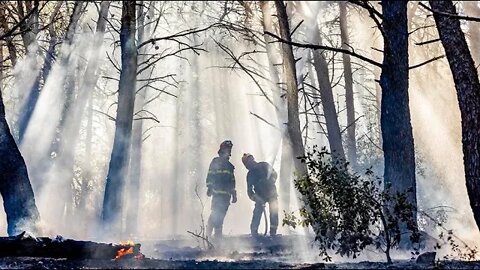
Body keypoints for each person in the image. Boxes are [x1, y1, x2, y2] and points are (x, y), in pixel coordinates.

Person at [205, 140, 237, 239]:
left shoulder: (230, 166)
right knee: (215, 215)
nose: (228, 150)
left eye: (229, 149)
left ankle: (217, 238)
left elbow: (232, 181)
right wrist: (209, 187)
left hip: (226, 196)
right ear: (222, 149)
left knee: (221, 217)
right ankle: (207, 236)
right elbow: (210, 174)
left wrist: (234, 194)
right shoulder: (215, 161)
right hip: (217, 194)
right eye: (226, 148)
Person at [241, 153, 279, 237]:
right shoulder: (250, 174)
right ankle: (254, 233)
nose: (250, 163)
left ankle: (273, 233)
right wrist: (256, 198)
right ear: (246, 165)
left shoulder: (264, 165)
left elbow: (274, 174)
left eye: (250, 160)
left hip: (272, 193)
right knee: (257, 213)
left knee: (274, 212)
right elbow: (250, 192)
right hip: (260, 196)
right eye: (248, 162)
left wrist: (271, 180)